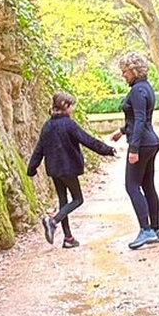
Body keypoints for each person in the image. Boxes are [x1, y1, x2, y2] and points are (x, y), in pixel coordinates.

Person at [27, 91, 116, 248]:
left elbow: (39, 149)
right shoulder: (69, 124)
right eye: (71, 106)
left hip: (54, 170)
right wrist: (107, 150)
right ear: (65, 106)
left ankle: (68, 238)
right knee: (78, 199)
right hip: (67, 169)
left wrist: (31, 168)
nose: (72, 109)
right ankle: (53, 221)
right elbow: (88, 140)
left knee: (63, 201)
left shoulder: (47, 126)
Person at [110, 52, 159, 250]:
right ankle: (155, 230)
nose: (123, 75)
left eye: (124, 71)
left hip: (143, 144)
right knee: (148, 185)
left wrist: (133, 148)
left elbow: (140, 119)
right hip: (150, 141)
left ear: (133, 70)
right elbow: (139, 119)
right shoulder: (146, 88)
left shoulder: (137, 91)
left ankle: (146, 229)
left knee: (132, 186)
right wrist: (121, 131)